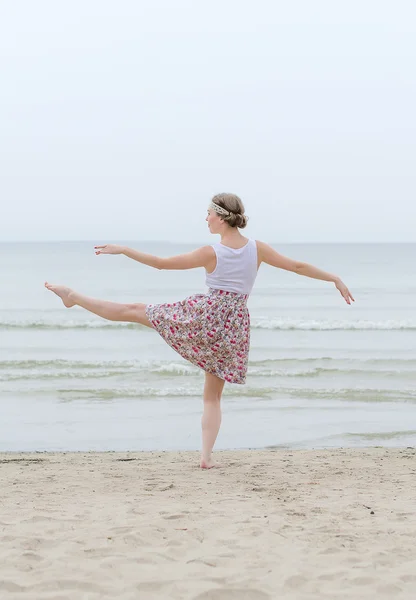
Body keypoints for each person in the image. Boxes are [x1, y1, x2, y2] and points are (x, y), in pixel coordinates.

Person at [45, 193, 354, 469]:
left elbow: (162, 264)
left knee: (132, 311)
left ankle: (74, 298)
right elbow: (298, 266)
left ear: (220, 217)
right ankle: (205, 457)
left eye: (208, 213)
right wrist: (333, 278)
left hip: (205, 318)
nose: (205, 219)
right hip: (232, 328)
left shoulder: (212, 252)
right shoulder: (257, 249)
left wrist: (124, 250)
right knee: (212, 397)